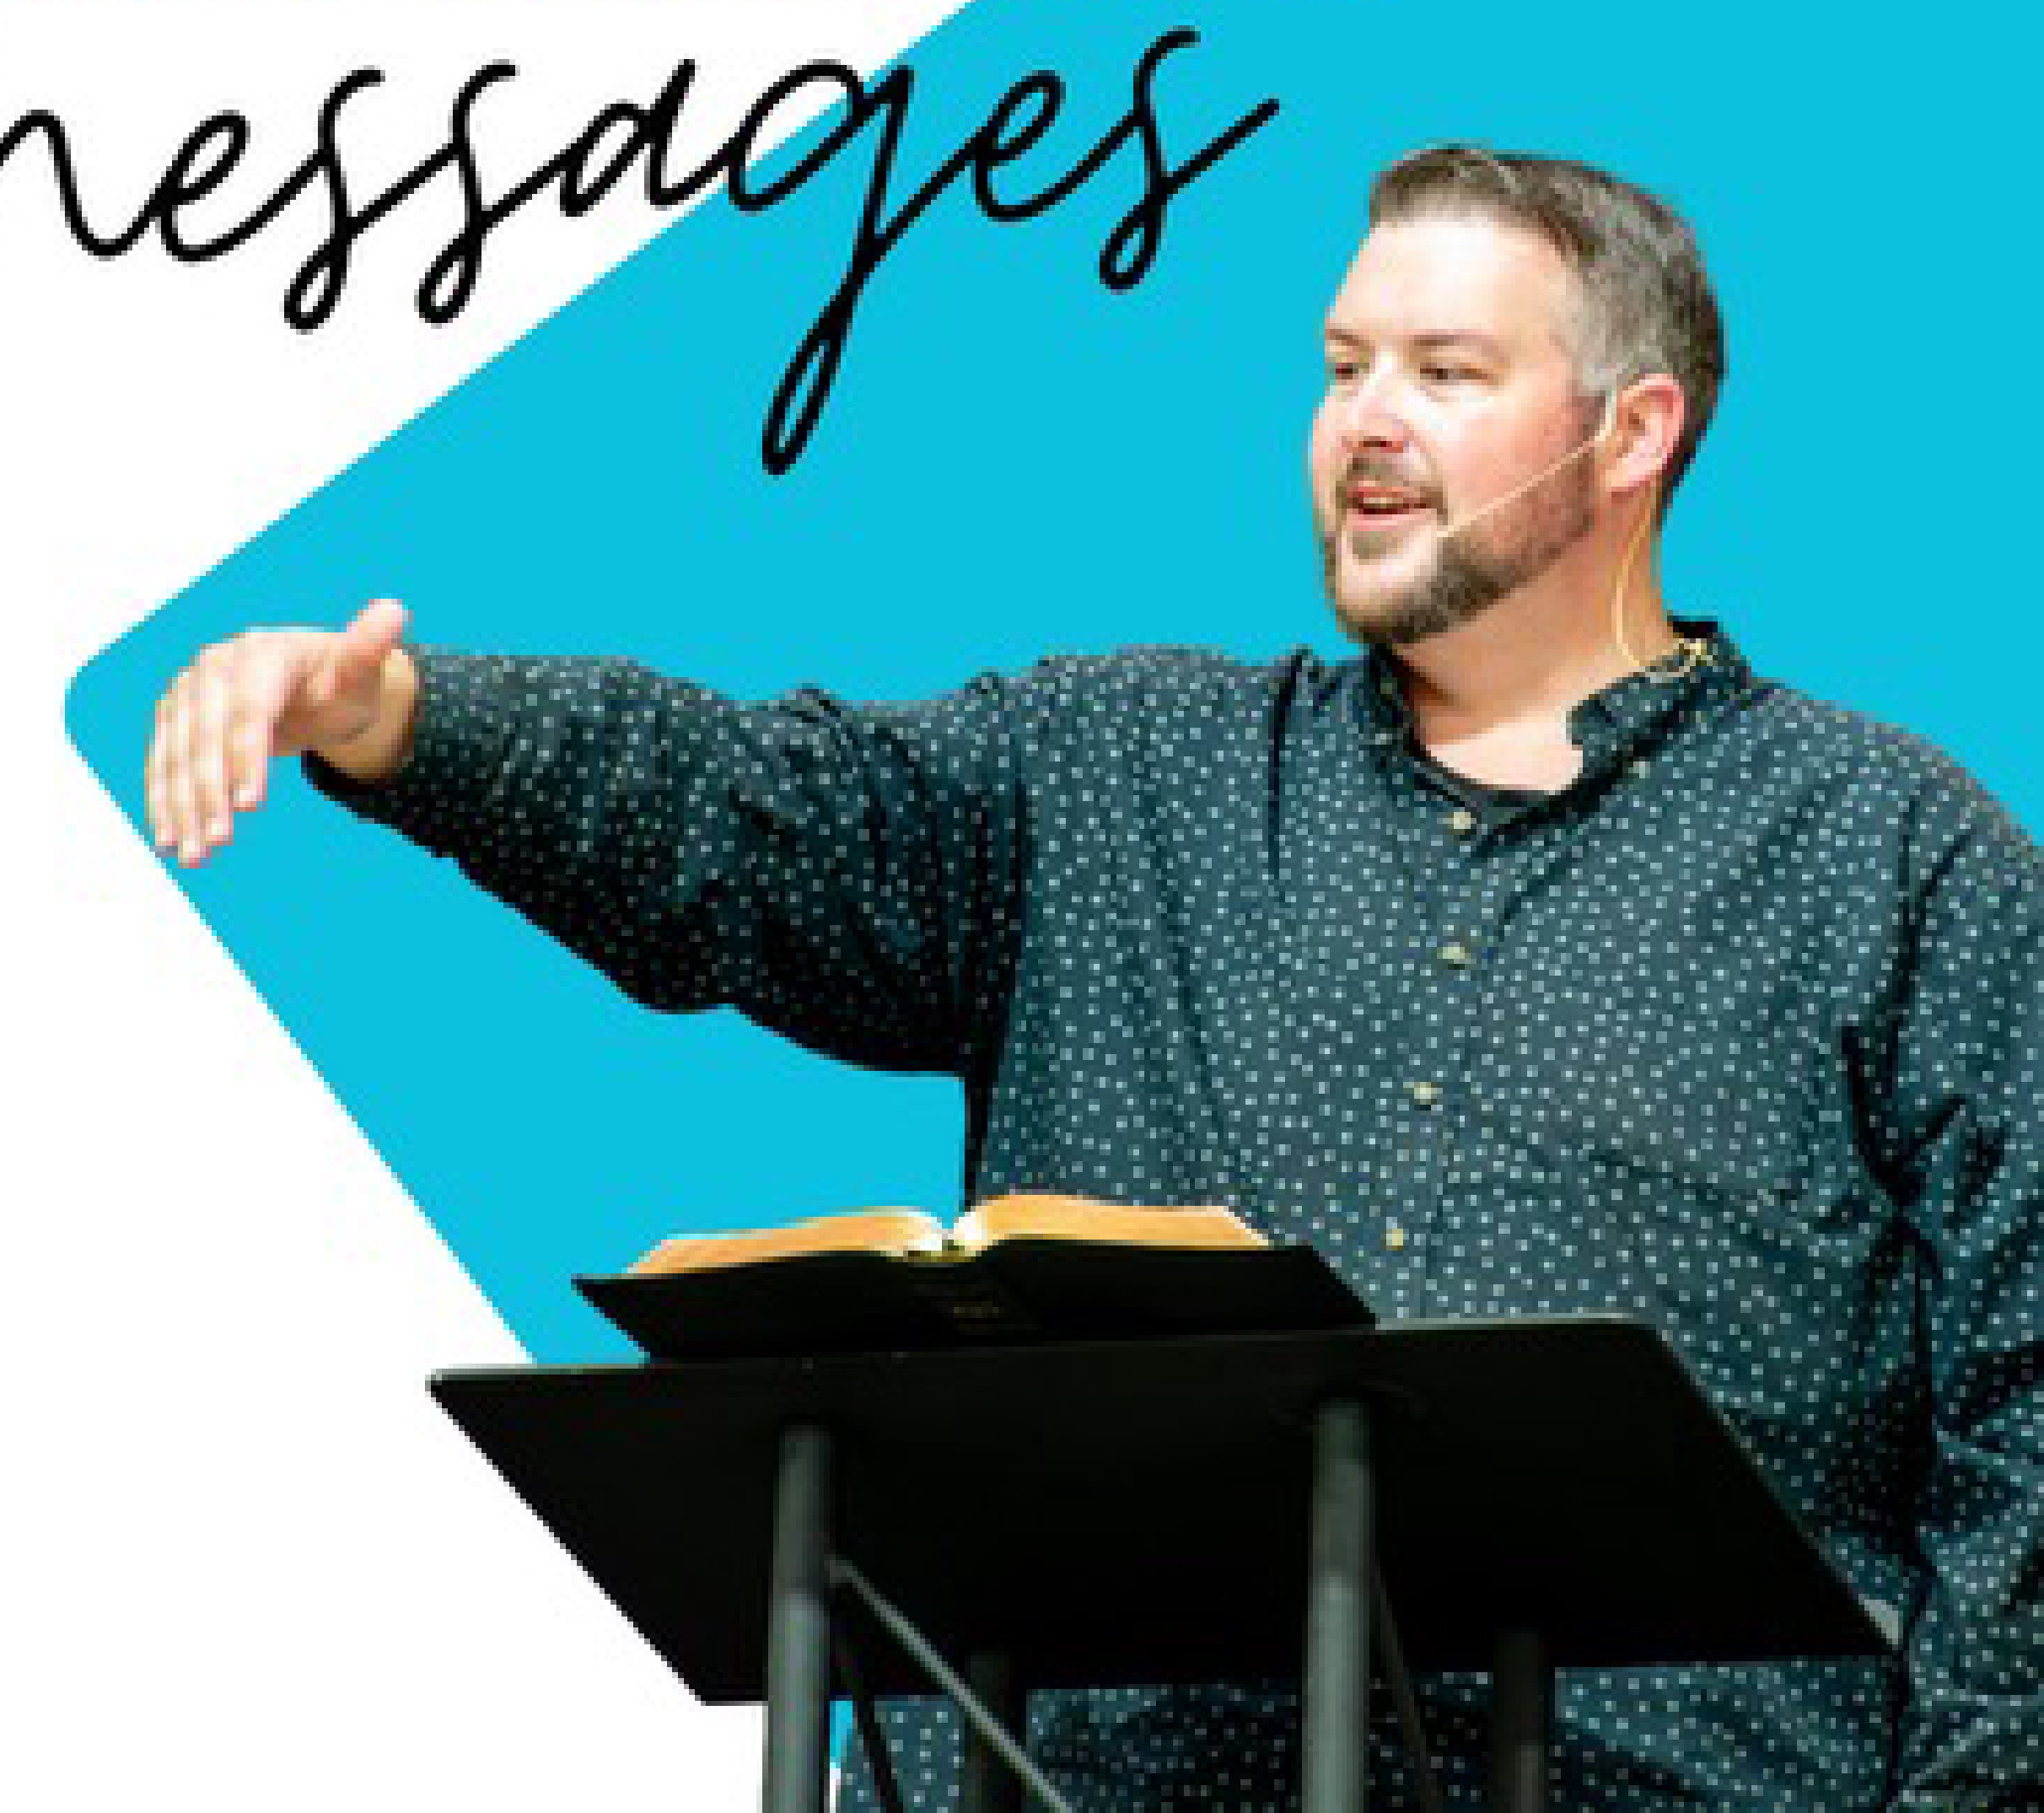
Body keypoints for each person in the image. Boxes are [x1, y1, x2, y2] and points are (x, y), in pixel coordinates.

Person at [145, 148, 2043, 1809]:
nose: (1367, 421)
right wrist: (400, 720)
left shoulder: (1896, 859)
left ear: (1633, 435)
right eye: (1344, 366)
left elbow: (2031, 1414)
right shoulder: (1119, 775)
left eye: (1447, 372)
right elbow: (752, 819)